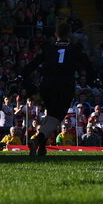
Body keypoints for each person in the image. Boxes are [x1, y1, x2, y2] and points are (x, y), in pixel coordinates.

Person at [18, 20, 81, 157]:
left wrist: (21, 74)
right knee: (56, 118)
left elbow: (35, 62)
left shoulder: (49, 48)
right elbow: (86, 65)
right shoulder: (74, 48)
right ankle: (37, 140)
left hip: (46, 85)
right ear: (69, 34)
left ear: (55, 34)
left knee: (50, 116)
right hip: (64, 85)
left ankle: (42, 148)